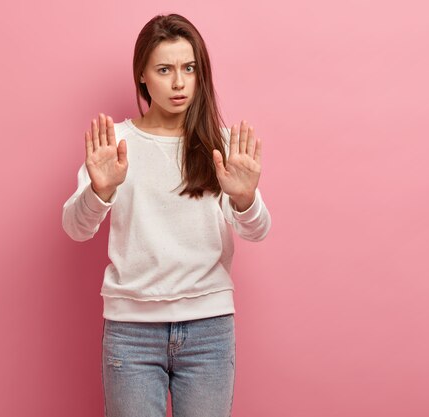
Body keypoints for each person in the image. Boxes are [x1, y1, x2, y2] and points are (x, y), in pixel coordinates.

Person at [62, 13, 271, 417]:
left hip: (209, 330)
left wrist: (245, 198)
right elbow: (74, 227)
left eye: (189, 68)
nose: (179, 83)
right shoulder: (117, 143)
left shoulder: (220, 144)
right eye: (164, 70)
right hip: (131, 333)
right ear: (142, 75)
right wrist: (100, 190)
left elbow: (259, 230)